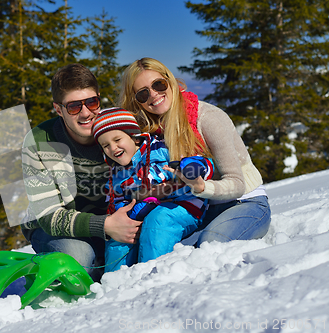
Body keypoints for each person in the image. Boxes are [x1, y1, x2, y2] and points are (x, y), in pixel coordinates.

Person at [118, 57, 271, 247]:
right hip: (199, 207)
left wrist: (201, 187)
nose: (153, 95)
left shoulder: (207, 118)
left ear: (170, 81)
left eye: (159, 84)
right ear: (136, 101)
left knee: (210, 244)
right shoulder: (153, 130)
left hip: (244, 202)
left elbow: (237, 184)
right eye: (143, 94)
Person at [20, 63, 140, 282]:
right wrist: (106, 225)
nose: (86, 113)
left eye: (92, 102)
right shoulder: (39, 141)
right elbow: (48, 216)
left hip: (111, 221)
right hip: (55, 228)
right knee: (80, 259)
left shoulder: (114, 131)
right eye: (74, 107)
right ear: (59, 109)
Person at [92, 107, 214, 272]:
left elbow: (204, 163)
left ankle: (151, 275)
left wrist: (193, 168)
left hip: (184, 206)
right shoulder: (116, 173)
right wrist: (129, 213)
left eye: (117, 140)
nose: (113, 148)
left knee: (159, 220)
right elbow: (116, 200)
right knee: (120, 235)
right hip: (144, 211)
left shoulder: (161, 149)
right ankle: (113, 284)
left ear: (134, 137)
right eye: (105, 145)